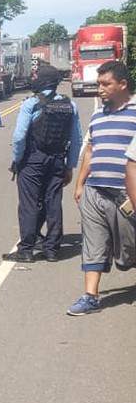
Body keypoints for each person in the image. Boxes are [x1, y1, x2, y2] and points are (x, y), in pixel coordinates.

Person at [67, 60, 136, 315]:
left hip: (127, 195)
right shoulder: (98, 115)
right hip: (95, 191)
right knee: (93, 242)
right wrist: (80, 183)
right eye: (99, 84)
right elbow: (91, 150)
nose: (100, 89)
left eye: (106, 84)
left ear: (122, 84)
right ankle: (90, 296)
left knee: (129, 251)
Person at [2, 63, 82, 262]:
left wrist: (17, 160)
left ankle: (26, 250)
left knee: (29, 204)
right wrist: (70, 166)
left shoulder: (32, 103)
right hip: (57, 160)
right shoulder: (69, 105)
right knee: (53, 202)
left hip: (32, 160)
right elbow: (76, 138)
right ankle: (52, 249)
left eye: (37, 76)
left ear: (43, 80)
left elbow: (20, 136)